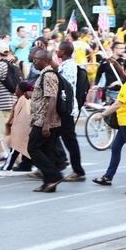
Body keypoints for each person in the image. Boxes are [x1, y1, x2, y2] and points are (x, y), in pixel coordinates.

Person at [91, 58, 126, 185]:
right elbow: (125, 75)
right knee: (116, 148)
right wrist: (116, 65)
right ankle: (108, 176)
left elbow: (118, 104)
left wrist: (102, 114)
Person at [28, 49, 64, 193]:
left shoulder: (48, 75)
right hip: (44, 119)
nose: (34, 61)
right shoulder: (43, 75)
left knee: (33, 147)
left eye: (37, 59)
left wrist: (46, 123)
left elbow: (52, 98)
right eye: (34, 59)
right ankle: (48, 183)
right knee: (47, 150)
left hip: (44, 120)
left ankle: (54, 176)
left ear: (46, 61)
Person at [52, 41, 86, 182]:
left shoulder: (69, 67)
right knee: (54, 137)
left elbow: (66, 86)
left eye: (58, 50)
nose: (57, 52)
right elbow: (58, 69)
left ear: (63, 52)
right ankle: (56, 164)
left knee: (69, 139)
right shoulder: (66, 65)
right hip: (65, 107)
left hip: (66, 107)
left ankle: (78, 171)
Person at [0, 41, 17, 167]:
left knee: (4, 133)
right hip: (13, 102)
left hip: (2, 104)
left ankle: (19, 157)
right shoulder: (13, 65)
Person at [0, 81, 33, 176]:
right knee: (24, 148)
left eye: (17, 88)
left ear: (21, 91)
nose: (16, 90)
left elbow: (24, 115)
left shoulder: (23, 100)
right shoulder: (24, 99)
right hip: (22, 128)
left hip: (21, 128)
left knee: (14, 148)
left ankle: (7, 168)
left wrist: (13, 125)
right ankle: (26, 165)